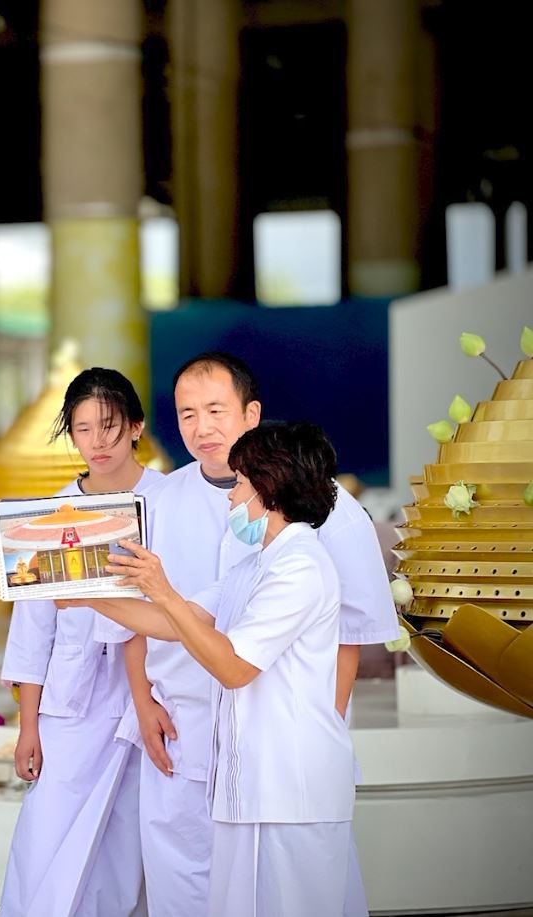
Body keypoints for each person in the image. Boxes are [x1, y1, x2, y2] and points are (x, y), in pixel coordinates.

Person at [100, 352, 397, 916]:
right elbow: (170, 617)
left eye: (215, 409)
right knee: (211, 894)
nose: (201, 426)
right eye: (187, 413)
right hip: (201, 738)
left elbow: (344, 638)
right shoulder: (227, 547)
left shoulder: (317, 538)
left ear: (252, 413)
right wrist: (80, 593)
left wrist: (314, 731)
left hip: (285, 754)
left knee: (296, 896)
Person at [73, 422, 356, 917]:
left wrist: (162, 589)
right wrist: (79, 591)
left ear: (269, 488)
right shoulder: (252, 566)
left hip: (291, 787)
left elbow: (233, 667)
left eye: (241, 483)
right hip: (250, 784)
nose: (230, 498)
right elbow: (169, 621)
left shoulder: (301, 567)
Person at [0, 368, 159, 917]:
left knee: (130, 845)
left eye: (110, 426)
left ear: (136, 427)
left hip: (153, 694)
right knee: (46, 838)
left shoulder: (170, 498)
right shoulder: (49, 514)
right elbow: (31, 629)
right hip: (72, 699)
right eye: (83, 428)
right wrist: (28, 727)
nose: (97, 442)